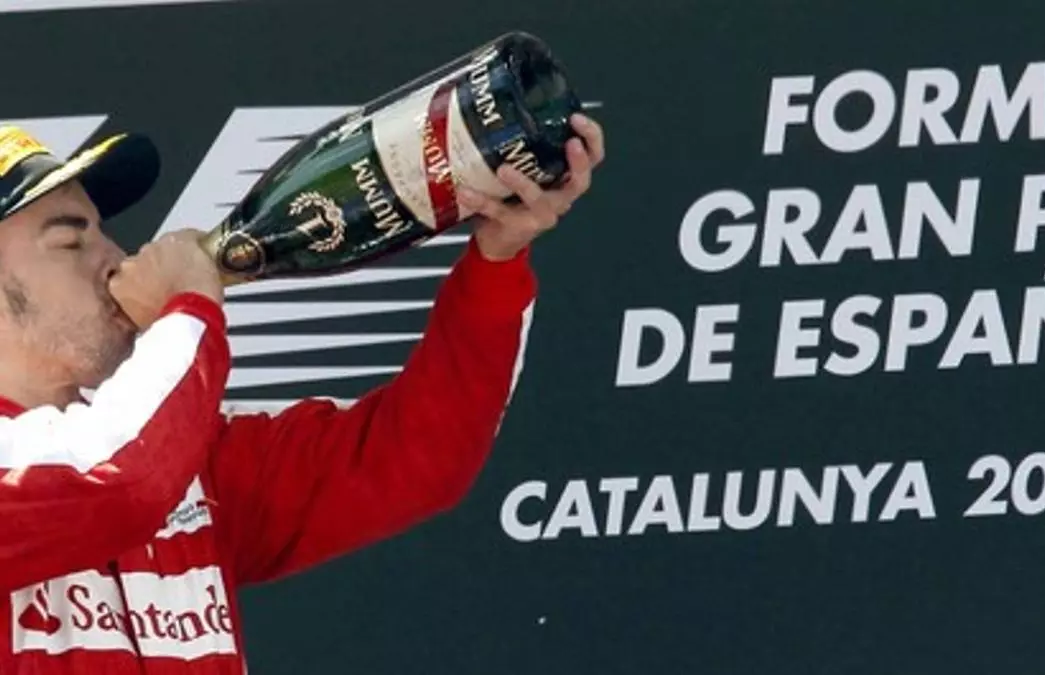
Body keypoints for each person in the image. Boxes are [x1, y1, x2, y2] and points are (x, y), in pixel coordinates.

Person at [0, 112, 605, 672]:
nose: (114, 258)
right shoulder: (126, 467)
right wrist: (190, 306)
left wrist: (497, 260)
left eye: (104, 232)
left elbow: (412, 457)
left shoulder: (188, 461)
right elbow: (116, 483)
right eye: (70, 242)